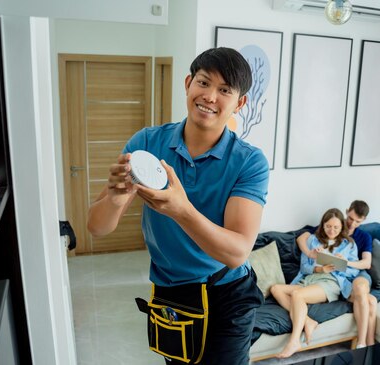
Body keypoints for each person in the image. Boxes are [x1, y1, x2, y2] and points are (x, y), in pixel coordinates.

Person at [87, 47, 270, 365]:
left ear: (240, 103)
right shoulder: (147, 143)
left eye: (224, 90)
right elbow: (96, 226)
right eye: (203, 82)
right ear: (188, 83)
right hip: (171, 292)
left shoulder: (249, 162)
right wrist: (116, 199)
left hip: (227, 293)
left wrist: (181, 210)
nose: (210, 96)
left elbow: (237, 250)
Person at [269, 208, 359, 359]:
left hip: (331, 282)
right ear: (323, 225)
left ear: (342, 227)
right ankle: (308, 321)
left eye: (336, 227)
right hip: (311, 279)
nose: (332, 230)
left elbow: (353, 271)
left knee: (297, 295)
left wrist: (343, 263)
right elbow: (304, 267)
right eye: (328, 226)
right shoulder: (312, 240)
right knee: (276, 289)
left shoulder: (348, 244)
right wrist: (319, 268)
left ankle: (294, 341)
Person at [296, 200, 377, 348]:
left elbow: (365, 264)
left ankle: (362, 342)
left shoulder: (359, 239)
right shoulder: (332, 225)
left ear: (363, 220)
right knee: (370, 301)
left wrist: (346, 263)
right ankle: (368, 345)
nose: (352, 224)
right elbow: (303, 237)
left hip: (356, 271)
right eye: (351, 219)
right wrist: (310, 254)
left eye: (357, 221)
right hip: (336, 274)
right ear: (347, 212)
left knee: (360, 288)